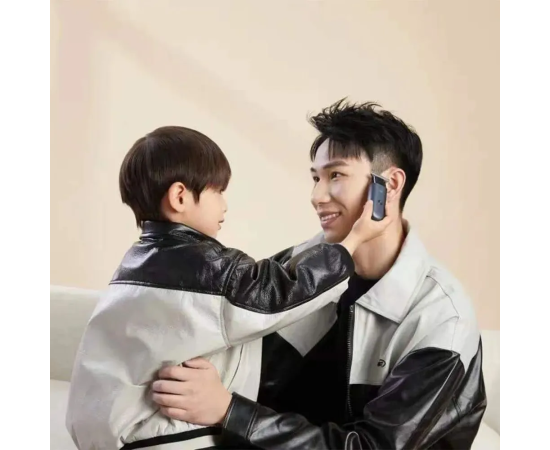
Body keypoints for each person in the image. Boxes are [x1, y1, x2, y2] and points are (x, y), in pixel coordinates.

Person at [151, 100, 487, 449]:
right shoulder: (301, 268)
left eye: (335, 175)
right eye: (315, 178)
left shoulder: (441, 317)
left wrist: (229, 411)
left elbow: (374, 447)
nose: (316, 196)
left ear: (389, 185)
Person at [65, 125, 391, 450]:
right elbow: (280, 293)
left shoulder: (134, 264)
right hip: (162, 437)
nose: (224, 204)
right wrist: (354, 240)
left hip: (104, 431)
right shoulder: (207, 268)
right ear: (180, 197)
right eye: (218, 191)